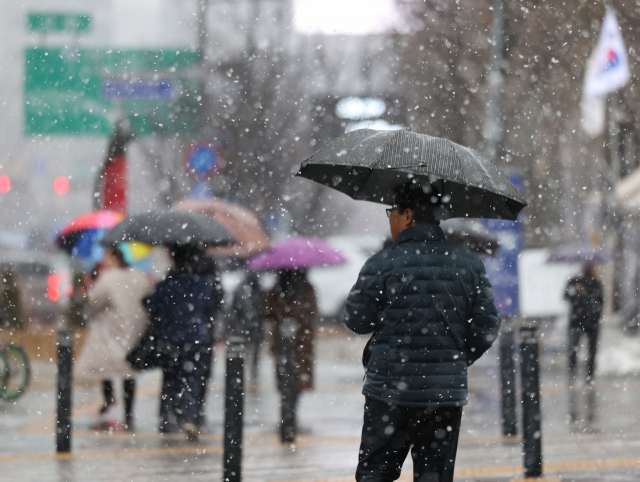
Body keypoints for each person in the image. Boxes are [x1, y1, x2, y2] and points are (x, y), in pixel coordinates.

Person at [343, 184, 501, 482]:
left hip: (388, 392)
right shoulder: (469, 265)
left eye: (392, 211)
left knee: (375, 475)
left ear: (408, 215)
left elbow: (356, 320)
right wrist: (453, 360)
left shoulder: (382, 263)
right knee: (435, 476)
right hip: (444, 395)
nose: (390, 218)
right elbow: (487, 327)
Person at [75, 245, 152, 431]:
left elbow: (94, 302)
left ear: (115, 258)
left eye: (107, 256)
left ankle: (109, 400)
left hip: (112, 328)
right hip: (134, 329)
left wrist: (88, 286)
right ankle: (129, 412)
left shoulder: (108, 278)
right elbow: (148, 298)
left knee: (107, 366)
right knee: (129, 370)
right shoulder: (139, 277)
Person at [144, 245, 214, 440]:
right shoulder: (201, 283)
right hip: (196, 338)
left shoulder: (166, 284)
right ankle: (190, 416)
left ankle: (167, 417)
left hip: (170, 338)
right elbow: (208, 308)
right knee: (193, 378)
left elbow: (151, 307)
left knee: (170, 379)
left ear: (173, 261)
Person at [263, 269, 318, 394]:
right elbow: (312, 313)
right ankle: (292, 401)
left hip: (282, 337)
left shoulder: (276, 290)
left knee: (285, 374)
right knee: (299, 374)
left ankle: (288, 398)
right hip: (303, 338)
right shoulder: (307, 288)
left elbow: (267, 312)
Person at [564, 265, 603, 386]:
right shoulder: (578, 282)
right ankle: (583, 374)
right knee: (579, 349)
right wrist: (574, 289)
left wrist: (573, 289)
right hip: (582, 321)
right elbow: (567, 296)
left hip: (584, 321)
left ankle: (585, 374)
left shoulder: (593, 284)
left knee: (583, 349)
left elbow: (567, 297)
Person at [228, 270, 264, 390]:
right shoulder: (258, 289)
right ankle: (252, 370)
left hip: (243, 327)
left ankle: (243, 371)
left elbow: (234, 311)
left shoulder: (241, 288)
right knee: (253, 352)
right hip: (253, 326)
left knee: (243, 352)